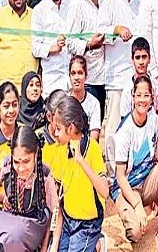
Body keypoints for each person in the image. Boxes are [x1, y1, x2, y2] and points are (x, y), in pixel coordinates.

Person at [110, 76, 158, 251]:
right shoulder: (125, 130)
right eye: (139, 95)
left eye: (146, 95)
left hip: (146, 182)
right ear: (133, 97)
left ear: (152, 98)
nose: (142, 100)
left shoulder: (153, 118)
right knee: (135, 233)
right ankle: (129, 218)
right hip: (127, 188)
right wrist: (137, 205)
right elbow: (120, 177)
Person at [50, 96, 110, 252]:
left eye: (58, 128)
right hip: (68, 219)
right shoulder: (61, 149)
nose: (55, 133)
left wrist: (81, 161)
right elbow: (58, 193)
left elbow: (105, 192)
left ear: (70, 128)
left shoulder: (93, 148)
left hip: (87, 224)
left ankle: (96, 241)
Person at [98, 0, 139, 155]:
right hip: (116, 78)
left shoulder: (139, 4)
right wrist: (117, 29)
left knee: (132, 127)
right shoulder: (109, 2)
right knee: (113, 127)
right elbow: (99, 33)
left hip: (135, 77)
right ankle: (111, 167)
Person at [65, 0, 107, 119]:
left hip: (103, 76)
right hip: (87, 81)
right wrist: (90, 45)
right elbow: (70, 42)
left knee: (98, 124)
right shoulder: (76, 4)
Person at [32, 0, 71, 95]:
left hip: (72, 82)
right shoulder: (39, 11)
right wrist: (54, 48)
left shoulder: (71, 6)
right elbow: (36, 48)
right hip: (52, 84)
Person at [119, 38, 158, 120]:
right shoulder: (127, 89)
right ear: (132, 60)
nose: (141, 62)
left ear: (149, 59)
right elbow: (124, 120)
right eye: (137, 57)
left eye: (144, 57)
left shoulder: (157, 86)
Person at [68, 56, 101, 141]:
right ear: (69, 76)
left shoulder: (94, 103)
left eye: (80, 73)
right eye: (73, 73)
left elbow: (94, 135)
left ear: (86, 75)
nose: (76, 78)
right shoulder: (64, 101)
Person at [36, 89, 68, 171]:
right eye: (60, 117)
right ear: (49, 116)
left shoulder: (72, 136)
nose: (65, 122)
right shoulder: (37, 139)